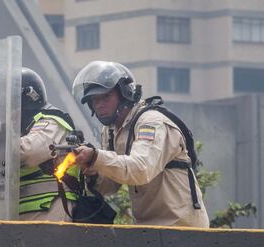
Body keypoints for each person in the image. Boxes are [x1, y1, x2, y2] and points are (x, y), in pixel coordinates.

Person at [72, 61, 209, 228]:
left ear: (124, 94)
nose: (99, 104)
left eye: (106, 96)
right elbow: (110, 185)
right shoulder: (111, 131)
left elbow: (140, 170)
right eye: (94, 100)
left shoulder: (151, 122)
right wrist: (91, 169)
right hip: (146, 227)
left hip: (180, 226)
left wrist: (96, 156)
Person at [19, 67, 79, 221]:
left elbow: (29, 151)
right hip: (20, 209)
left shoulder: (51, 120)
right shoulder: (15, 130)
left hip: (51, 206)